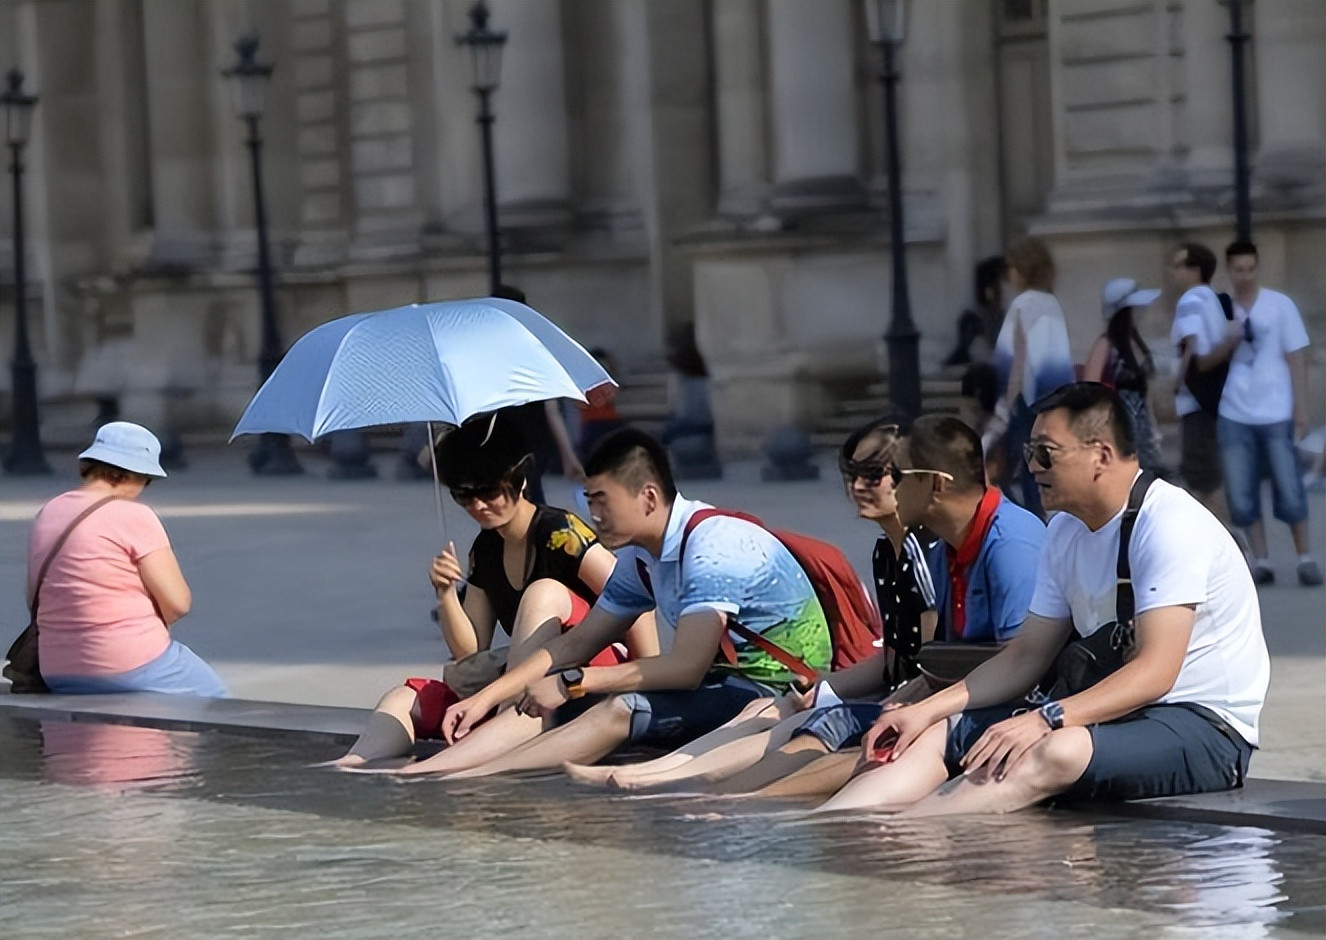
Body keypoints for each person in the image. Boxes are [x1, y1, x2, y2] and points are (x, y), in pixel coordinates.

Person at [818, 382, 1267, 816]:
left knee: (1056, 749)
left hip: (1204, 726)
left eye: (1045, 453)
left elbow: (1155, 673)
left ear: (1101, 455)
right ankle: (835, 829)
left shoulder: (1168, 525)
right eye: (1029, 451)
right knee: (938, 733)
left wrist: (1047, 717)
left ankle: (909, 841)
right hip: (1110, 713)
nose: (1031, 466)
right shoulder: (1064, 529)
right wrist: (924, 711)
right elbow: (1025, 657)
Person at [567, 415, 1044, 796]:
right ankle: (672, 778)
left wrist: (903, 700)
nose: (861, 485)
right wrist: (829, 686)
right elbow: (917, 655)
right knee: (786, 711)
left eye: (880, 474)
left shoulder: (941, 546)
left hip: (955, 705)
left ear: (929, 483)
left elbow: (947, 657)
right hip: (920, 693)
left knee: (814, 722)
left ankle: (718, 794)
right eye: (850, 473)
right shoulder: (894, 549)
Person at [411, 427, 832, 778]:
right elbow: (571, 647)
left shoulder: (711, 547)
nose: (593, 515)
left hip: (776, 690)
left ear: (648, 497)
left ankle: (476, 776)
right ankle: (432, 772)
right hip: (720, 684)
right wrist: (487, 697)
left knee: (618, 707)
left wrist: (574, 681)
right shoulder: (639, 558)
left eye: (601, 501)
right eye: (587, 501)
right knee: (544, 696)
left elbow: (686, 668)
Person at [333, 413, 658, 767]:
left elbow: (634, 600)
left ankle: (487, 735)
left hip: (582, 677)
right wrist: (445, 595)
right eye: (464, 496)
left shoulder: (560, 532)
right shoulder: (487, 548)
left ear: (518, 482)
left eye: (488, 492)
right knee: (402, 698)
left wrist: (645, 682)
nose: (477, 506)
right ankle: (350, 766)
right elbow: (471, 649)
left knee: (543, 592)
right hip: (517, 687)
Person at [25, 422, 228, 696]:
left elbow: (33, 598)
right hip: (128, 662)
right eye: (147, 479)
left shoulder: (50, 511)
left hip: (56, 668)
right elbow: (178, 603)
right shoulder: (134, 515)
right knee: (217, 702)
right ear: (134, 475)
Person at [1217, 242, 1322, 586]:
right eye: (1238, 270)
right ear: (1229, 271)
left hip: (1275, 409)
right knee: (1241, 489)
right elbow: (1207, 359)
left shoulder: (1280, 306)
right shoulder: (1221, 307)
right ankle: (1261, 560)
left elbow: (1296, 355)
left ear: (1257, 269)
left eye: (1250, 269)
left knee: (1289, 485)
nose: (1245, 276)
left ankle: (1304, 556)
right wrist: (1226, 339)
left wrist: (1300, 407)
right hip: (1234, 409)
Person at [986, 236, 1075, 517]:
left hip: (1028, 401)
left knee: (1026, 470)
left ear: (1023, 268)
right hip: (1058, 398)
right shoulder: (1051, 303)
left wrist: (1001, 405)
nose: (1008, 273)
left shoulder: (1022, 304)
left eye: (1011, 266)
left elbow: (1016, 359)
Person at [1169, 242, 1238, 522]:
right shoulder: (1212, 299)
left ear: (1195, 269)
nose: (1172, 272)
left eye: (1178, 266)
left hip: (1195, 400)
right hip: (1214, 399)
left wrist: (1175, 383)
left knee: (1203, 479)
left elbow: (1192, 348)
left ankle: (1224, 542)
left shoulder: (1190, 300)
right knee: (1207, 474)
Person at [1083, 277, 1169, 477]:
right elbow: (1089, 390)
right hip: (1119, 435)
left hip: (1143, 438)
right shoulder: (1106, 345)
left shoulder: (1134, 344)